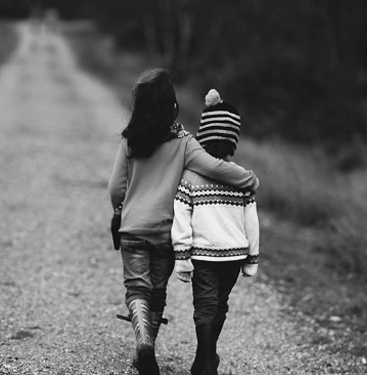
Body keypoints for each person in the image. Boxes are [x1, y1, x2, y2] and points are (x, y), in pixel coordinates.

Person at [107, 70, 259, 375]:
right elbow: (215, 167)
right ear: (172, 107)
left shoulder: (130, 142)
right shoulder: (184, 143)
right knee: (157, 293)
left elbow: (115, 188)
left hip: (133, 228)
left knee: (137, 289)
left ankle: (144, 345)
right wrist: (249, 179)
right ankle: (145, 352)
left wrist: (121, 210)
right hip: (165, 232)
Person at [171, 89, 260, 375]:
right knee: (219, 306)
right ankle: (205, 359)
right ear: (233, 140)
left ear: (203, 136)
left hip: (204, 255)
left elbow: (181, 217)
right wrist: (252, 259)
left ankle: (206, 360)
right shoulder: (241, 178)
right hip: (233, 256)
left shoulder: (190, 177)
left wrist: (182, 257)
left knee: (206, 308)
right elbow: (252, 222)